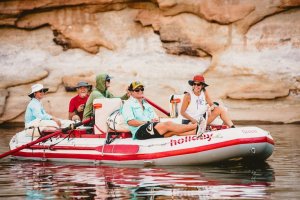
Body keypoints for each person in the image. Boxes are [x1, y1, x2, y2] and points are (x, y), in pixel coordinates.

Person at [121, 81, 200, 140]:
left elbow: (155, 118)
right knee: (168, 124)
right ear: (131, 92)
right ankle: (196, 126)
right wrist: (148, 122)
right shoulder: (127, 104)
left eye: (142, 89)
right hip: (139, 131)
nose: (140, 91)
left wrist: (155, 120)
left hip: (150, 126)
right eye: (137, 90)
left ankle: (195, 131)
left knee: (172, 132)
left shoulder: (146, 104)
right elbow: (131, 122)